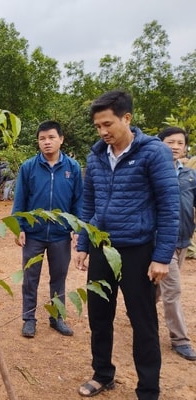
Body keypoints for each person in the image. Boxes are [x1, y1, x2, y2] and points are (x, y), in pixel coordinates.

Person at [75, 91, 179, 399]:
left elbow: (168, 206)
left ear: (127, 118)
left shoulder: (153, 152)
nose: (103, 131)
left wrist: (161, 256)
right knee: (99, 315)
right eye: (97, 126)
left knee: (142, 320)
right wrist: (83, 243)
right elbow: (89, 203)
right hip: (101, 248)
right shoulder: (95, 156)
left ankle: (148, 389)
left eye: (107, 124)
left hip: (137, 250)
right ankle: (103, 374)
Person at [12, 120, 83, 339]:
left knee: (59, 277)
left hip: (61, 235)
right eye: (42, 138)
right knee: (30, 277)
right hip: (34, 234)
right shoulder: (28, 167)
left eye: (51, 137)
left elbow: (78, 200)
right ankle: (29, 319)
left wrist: (77, 228)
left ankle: (56, 318)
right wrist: (19, 227)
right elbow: (20, 199)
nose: (47, 142)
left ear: (61, 139)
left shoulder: (72, 168)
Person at [156, 126, 196, 361]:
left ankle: (137, 307)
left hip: (183, 238)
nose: (174, 147)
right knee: (173, 289)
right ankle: (180, 339)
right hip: (161, 240)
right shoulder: (155, 171)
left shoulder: (190, 175)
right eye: (170, 142)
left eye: (179, 143)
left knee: (158, 287)